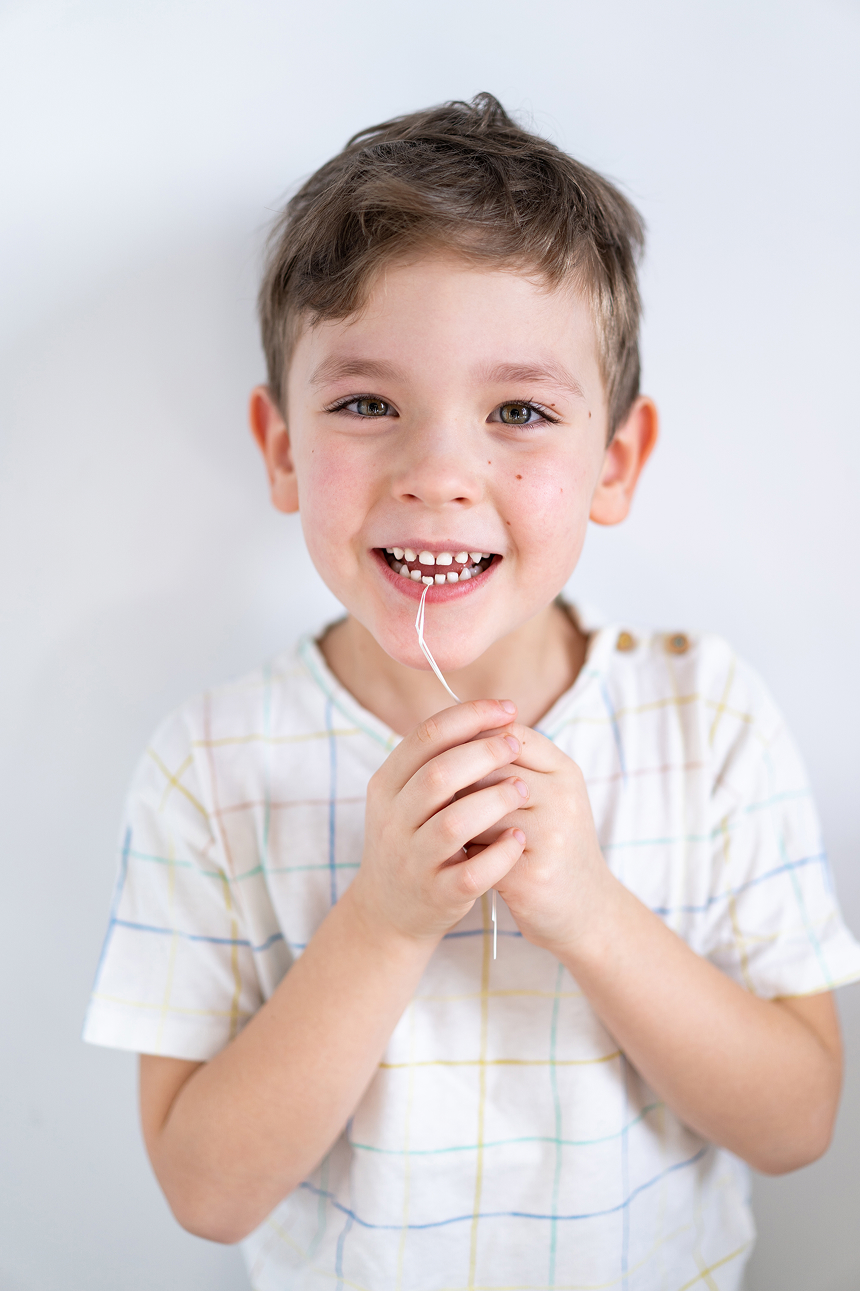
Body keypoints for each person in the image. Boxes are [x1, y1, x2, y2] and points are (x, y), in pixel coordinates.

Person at [83, 94, 860, 1290]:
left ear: (614, 462)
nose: (440, 474)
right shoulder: (213, 765)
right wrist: (383, 922)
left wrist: (591, 912)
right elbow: (204, 1188)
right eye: (364, 403)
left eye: (517, 412)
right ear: (283, 448)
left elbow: (796, 1121)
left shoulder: (703, 718)